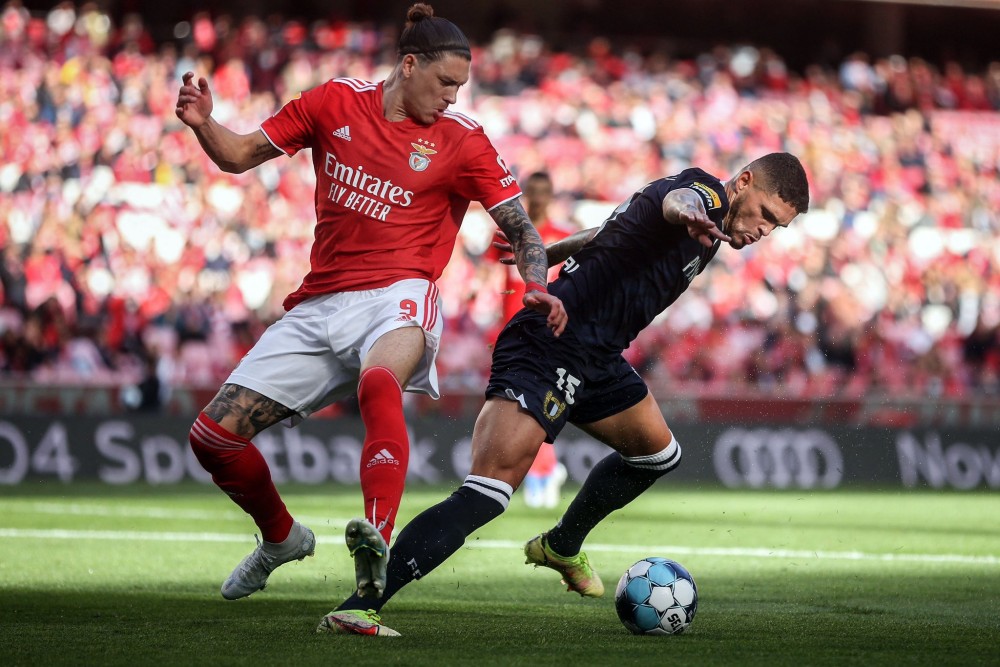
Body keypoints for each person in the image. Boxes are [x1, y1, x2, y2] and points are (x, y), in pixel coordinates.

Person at [316, 152, 809, 635]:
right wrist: (692, 214)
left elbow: (609, 231)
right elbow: (676, 201)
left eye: (776, 226)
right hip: (550, 341)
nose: (764, 230)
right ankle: (361, 606)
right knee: (487, 492)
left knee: (657, 455)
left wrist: (553, 252)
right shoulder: (703, 199)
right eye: (766, 214)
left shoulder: (710, 231)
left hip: (597, 357)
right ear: (744, 182)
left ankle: (562, 544)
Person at [174, 2, 566, 603]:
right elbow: (238, 155)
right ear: (409, 65)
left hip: (400, 293)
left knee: (379, 382)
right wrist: (204, 123)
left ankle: (376, 540)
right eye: (445, 82)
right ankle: (280, 538)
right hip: (321, 302)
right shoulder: (333, 103)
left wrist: (536, 282)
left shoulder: (463, 140)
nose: (453, 98)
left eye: (460, 87)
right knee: (211, 439)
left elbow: (521, 229)